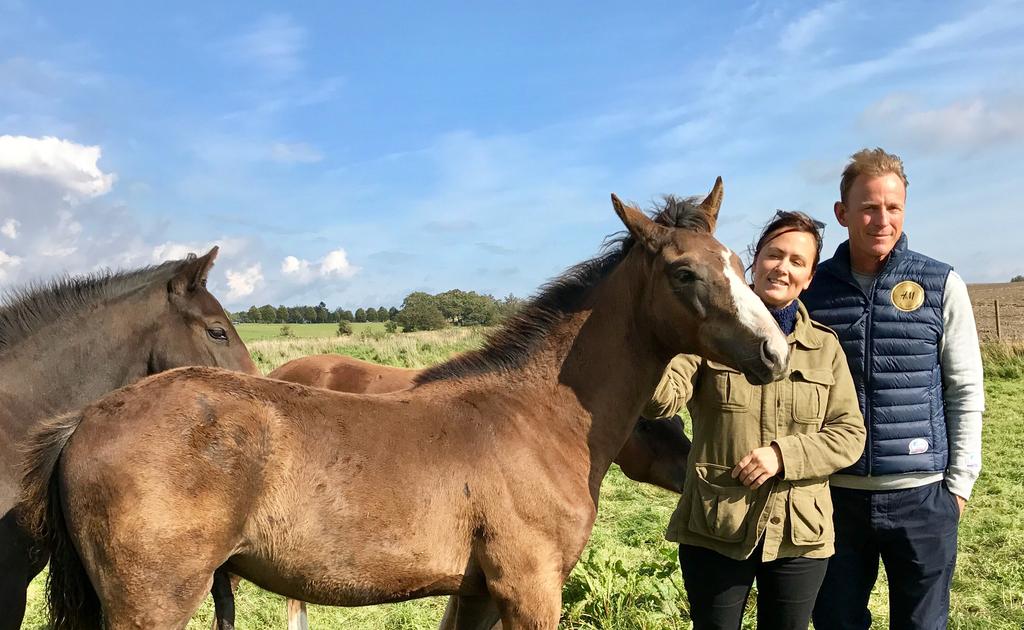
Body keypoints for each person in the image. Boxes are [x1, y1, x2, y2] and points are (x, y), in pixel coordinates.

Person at [643, 210, 866, 630]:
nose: (783, 267)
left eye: (797, 261)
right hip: (716, 526)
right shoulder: (708, 331)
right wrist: (654, 343)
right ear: (753, 261)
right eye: (774, 255)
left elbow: (849, 434)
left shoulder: (825, 347)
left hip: (800, 534)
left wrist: (782, 456)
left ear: (809, 278)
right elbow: (663, 402)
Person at [805, 148, 985, 630]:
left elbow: (964, 389)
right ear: (842, 213)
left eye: (893, 207)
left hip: (922, 496)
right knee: (836, 622)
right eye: (868, 207)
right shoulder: (812, 290)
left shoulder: (942, 283)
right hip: (833, 496)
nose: (881, 219)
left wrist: (958, 488)